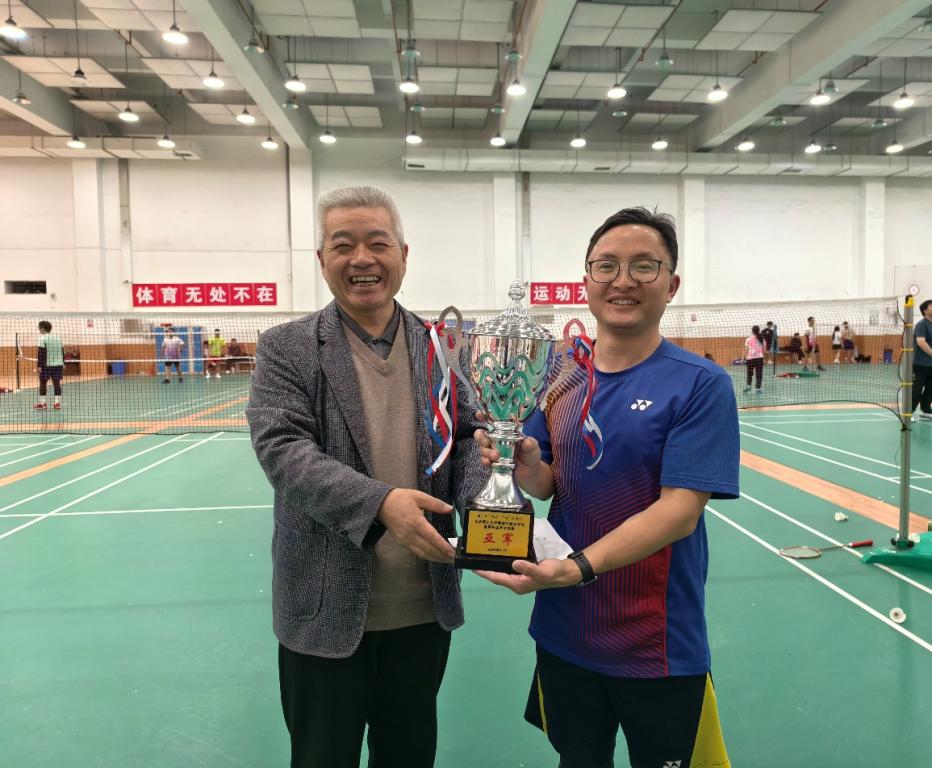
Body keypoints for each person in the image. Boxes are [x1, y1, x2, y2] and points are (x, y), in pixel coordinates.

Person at [475, 207, 739, 768]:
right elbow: (549, 482)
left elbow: (679, 512)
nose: (623, 280)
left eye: (644, 266)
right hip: (564, 630)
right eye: (607, 266)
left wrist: (577, 568)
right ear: (586, 282)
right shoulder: (559, 374)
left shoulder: (699, 384)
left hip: (656, 643)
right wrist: (524, 465)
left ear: (671, 284)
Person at [245, 185, 485, 768]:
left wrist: (489, 506)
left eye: (378, 243)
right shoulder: (287, 348)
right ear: (321, 259)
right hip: (323, 611)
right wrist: (380, 504)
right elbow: (283, 449)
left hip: (422, 609)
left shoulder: (439, 346)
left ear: (403, 254)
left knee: (408, 755)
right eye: (343, 245)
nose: (362, 259)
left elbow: (470, 438)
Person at [35, 320, 64, 410]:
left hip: (46, 365)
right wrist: (63, 363)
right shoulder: (58, 338)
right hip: (58, 365)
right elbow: (62, 351)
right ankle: (57, 403)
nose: (38, 329)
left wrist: (39, 366)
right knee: (57, 383)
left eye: (39, 327)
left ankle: (43, 404)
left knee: (43, 383)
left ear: (42, 328)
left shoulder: (42, 339)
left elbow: (41, 353)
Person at [743, 324, 765, 393]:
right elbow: (764, 350)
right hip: (759, 359)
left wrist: (742, 358)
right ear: (759, 331)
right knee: (759, 373)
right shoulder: (761, 338)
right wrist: (762, 355)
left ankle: (748, 386)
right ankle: (758, 388)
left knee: (749, 373)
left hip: (750, 359)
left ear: (752, 331)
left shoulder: (748, 339)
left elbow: (746, 350)